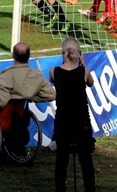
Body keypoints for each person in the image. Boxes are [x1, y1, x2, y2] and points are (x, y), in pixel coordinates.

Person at [49, 37, 95, 192]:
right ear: (78, 52)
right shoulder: (83, 71)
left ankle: (60, 189)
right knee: (86, 160)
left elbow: (52, 80)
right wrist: (83, 62)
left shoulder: (54, 72)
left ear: (63, 52)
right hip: (81, 121)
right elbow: (91, 82)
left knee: (61, 161)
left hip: (63, 122)